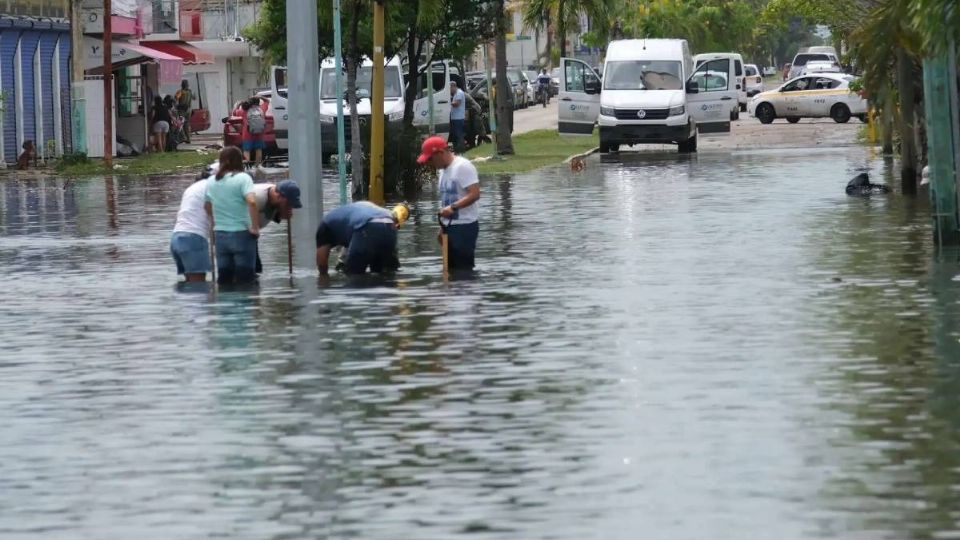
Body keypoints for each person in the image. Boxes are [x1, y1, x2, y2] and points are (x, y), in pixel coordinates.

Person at [416, 136, 480, 272]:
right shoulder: (442, 171)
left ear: (440, 153)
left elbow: (475, 194)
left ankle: (469, 293)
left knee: (463, 271)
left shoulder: (462, 166)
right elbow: (447, 200)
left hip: (465, 227)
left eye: (430, 159)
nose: (429, 163)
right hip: (448, 227)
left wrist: (453, 207)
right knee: (449, 270)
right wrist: (443, 227)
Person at [204, 146, 260, 285]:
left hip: (221, 236)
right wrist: (255, 227)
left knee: (224, 281)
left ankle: (225, 305)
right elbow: (252, 202)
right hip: (241, 234)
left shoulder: (211, 181)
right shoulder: (243, 178)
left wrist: (215, 225)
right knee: (245, 281)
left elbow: (207, 206)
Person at [315, 202, 410, 276]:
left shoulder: (324, 226)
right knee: (387, 275)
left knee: (355, 277)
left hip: (366, 227)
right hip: (390, 225)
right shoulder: (345, 217)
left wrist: (323, 280)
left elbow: (322, 262)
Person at [249, 180, 302, 273]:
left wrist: (283, 214)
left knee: (256, 269)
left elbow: (271, 214)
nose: (290, 207)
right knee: (251, 269)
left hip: (253, 233)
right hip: (240, 231)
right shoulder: (257, 197)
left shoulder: (277, 198)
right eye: (288, 204)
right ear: (279, 196)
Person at [170, 174, 212, 282]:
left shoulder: (191, 189)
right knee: (198, 288)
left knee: (189, 287)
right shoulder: (212, 187)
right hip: (194, 239)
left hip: (176, 237)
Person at [241, 97, 267, 166]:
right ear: (258, 102)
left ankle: (247, 167)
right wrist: (260, 96)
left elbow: (235, 112)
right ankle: (257, 166)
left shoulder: (245, 110)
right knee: (258, 150)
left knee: (247, 151)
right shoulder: (262, 109)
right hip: (259, 134)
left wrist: (241, 103)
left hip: (247, 134)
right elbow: (267, 101)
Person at [448, 81, 466, 152]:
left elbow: (457, 104)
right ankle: (457, 150)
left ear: (453, 86)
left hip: (458, 118)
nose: (450, 90)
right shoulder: (455, 94)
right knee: (455, 135)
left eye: (450, 88)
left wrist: (449, 102)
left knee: (459, 135)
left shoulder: (459, 93)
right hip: (455, 117)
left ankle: (461, 150)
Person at [175, 79, 194, 143]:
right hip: (189, 110)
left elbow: (176, 98)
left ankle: (183, 137)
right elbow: (194, 98)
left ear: (182, 85)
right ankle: (188, 139)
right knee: (186, 124)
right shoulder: (190, 92)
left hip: (182, 110)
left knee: (179, 124)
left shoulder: (181, 92)